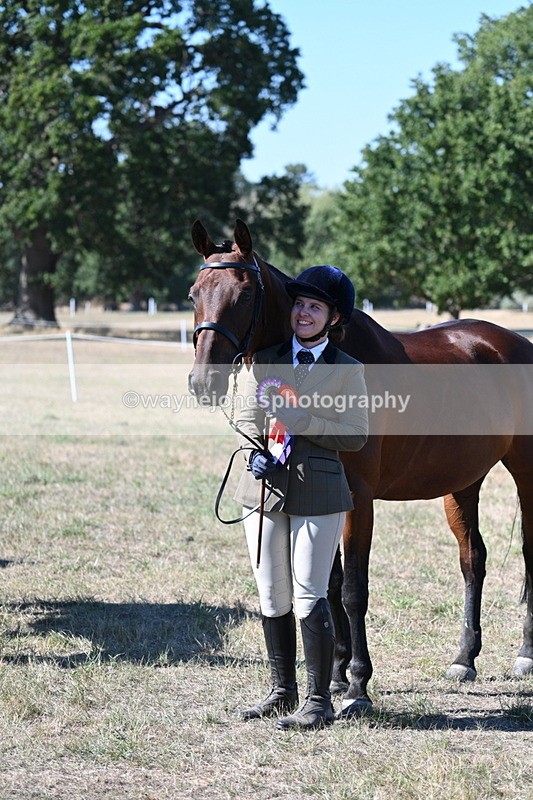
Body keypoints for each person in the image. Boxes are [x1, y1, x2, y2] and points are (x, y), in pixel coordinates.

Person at [233, 265, 368, 730]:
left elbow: (355, 436)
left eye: (314, 307)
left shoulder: (348, 371)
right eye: (299, 304)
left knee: (310, 594)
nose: (303, 313)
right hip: (263, 488)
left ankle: (318, 701)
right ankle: (280, 690)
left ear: (333, 318)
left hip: (320, 489)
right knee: (272, 594)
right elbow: (247, 416)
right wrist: (258, 454)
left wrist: (299, 420)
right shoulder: (266, 358)